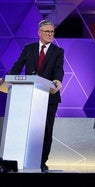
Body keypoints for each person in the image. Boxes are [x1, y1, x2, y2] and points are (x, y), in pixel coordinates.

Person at [0, 19, 64, 172]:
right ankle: (18, 160)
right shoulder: (29, 48)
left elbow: (58, 69)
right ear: (39, 33)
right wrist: (6, 79)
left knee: (46, 131)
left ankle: (42, 162)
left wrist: (58, 80)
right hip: (28, 97)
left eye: (52, 32)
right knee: (27, 129)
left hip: (49, 97)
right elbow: (17, 66)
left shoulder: (58, 51)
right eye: (47, 31)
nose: (50, 34)